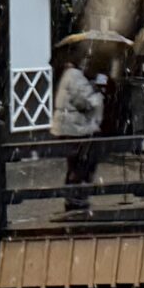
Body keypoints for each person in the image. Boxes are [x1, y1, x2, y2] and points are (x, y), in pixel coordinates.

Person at [51, 53, 105, 214]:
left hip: (73, 127)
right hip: (76, 128)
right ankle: (76, 199)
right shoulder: (75, 75)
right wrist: (97, 94)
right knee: (81, 164)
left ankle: (75, 197)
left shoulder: (72, 75)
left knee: (76, 163)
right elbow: (84, 102)